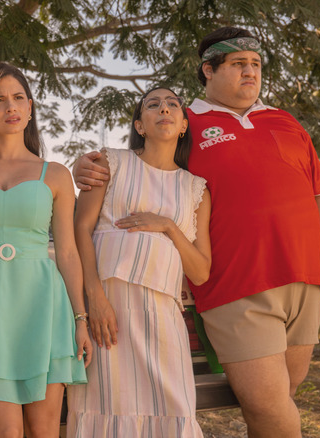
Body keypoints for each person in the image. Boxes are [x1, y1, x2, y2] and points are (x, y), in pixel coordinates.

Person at [73, 27, 320, 438]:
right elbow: (142, 164)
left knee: (282, 395)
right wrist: (83, 166)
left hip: (303, 279)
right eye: (238, 64)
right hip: (237, 284)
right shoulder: (186, 122)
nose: (250, 72)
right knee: (270, 405)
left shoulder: (285, 122)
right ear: (208, 70)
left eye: (255, 64)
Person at [0, 62, 91, 438]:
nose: (11, 107)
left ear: (30, 107)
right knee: (5, 433)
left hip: (45, 307)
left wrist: (81, 320)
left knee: (44, 431)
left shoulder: (54, 173)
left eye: (18, 97)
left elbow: (69, 253)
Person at [66, 87, 210, 437]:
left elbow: (201, 272)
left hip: (163, 318)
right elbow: (80, 229)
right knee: (107, 407)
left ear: (183, 125)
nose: (164, 109)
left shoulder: (196, 189)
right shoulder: (111, 162)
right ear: (139, 125)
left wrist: (169, 227)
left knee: (173, 409)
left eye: (173, 104)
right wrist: (94, 299)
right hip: (109, 313)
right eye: (153, 105)